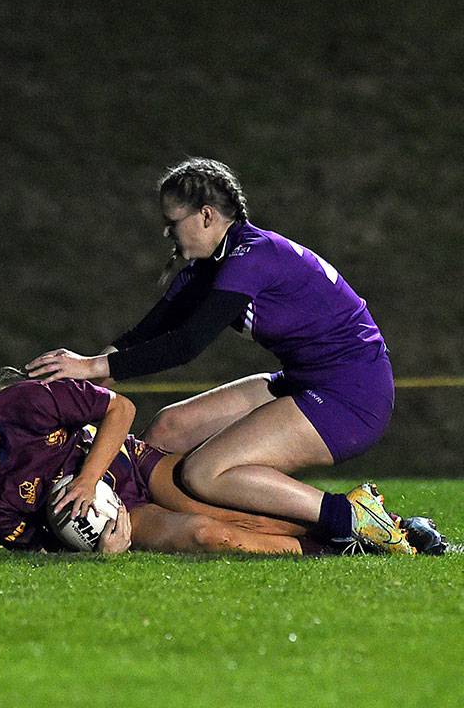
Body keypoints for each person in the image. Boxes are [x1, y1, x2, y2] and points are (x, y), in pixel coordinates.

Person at [26, 157, 415, 555]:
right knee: (168, 429)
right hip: (306, 379)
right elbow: (140, 339)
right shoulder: (208, 269)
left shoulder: (253, 256)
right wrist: (69, 384)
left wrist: (92, 366)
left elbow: (187, 344)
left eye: (173, 222)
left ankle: (351, 518)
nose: (168, 233)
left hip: (352, 393)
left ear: (206, 216)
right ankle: (135, 526)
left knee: (206, 472)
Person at [0, 353, 416, 556]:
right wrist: (96, 549)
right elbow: (36, 549)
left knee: (227, 508)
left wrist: (89, 480)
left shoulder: (24, 403)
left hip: (130, 465)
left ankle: (366, 522)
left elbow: (119, 409)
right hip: (126, 518)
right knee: (211, 537)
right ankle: (334, 551)